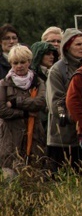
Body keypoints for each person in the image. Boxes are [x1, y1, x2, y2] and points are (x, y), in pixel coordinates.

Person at [0, 45, 47, 177]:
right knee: (10, 175)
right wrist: (24, 113)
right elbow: (2, 110)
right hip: (10, 137)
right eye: (15, 63)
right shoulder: (4, 84)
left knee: (35, 174)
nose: (19, 66)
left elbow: (40, 102)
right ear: (11, 64)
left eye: (23, 62)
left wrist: (15, 102)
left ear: (29, 62)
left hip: (34, 135)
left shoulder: (38, 82)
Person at [46, 28, 82, 171]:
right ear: (67, 46)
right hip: (62, 136)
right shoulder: (57, 70)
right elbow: (55, 102)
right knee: (63, 180)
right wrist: (77, 117)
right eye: (78, 44)